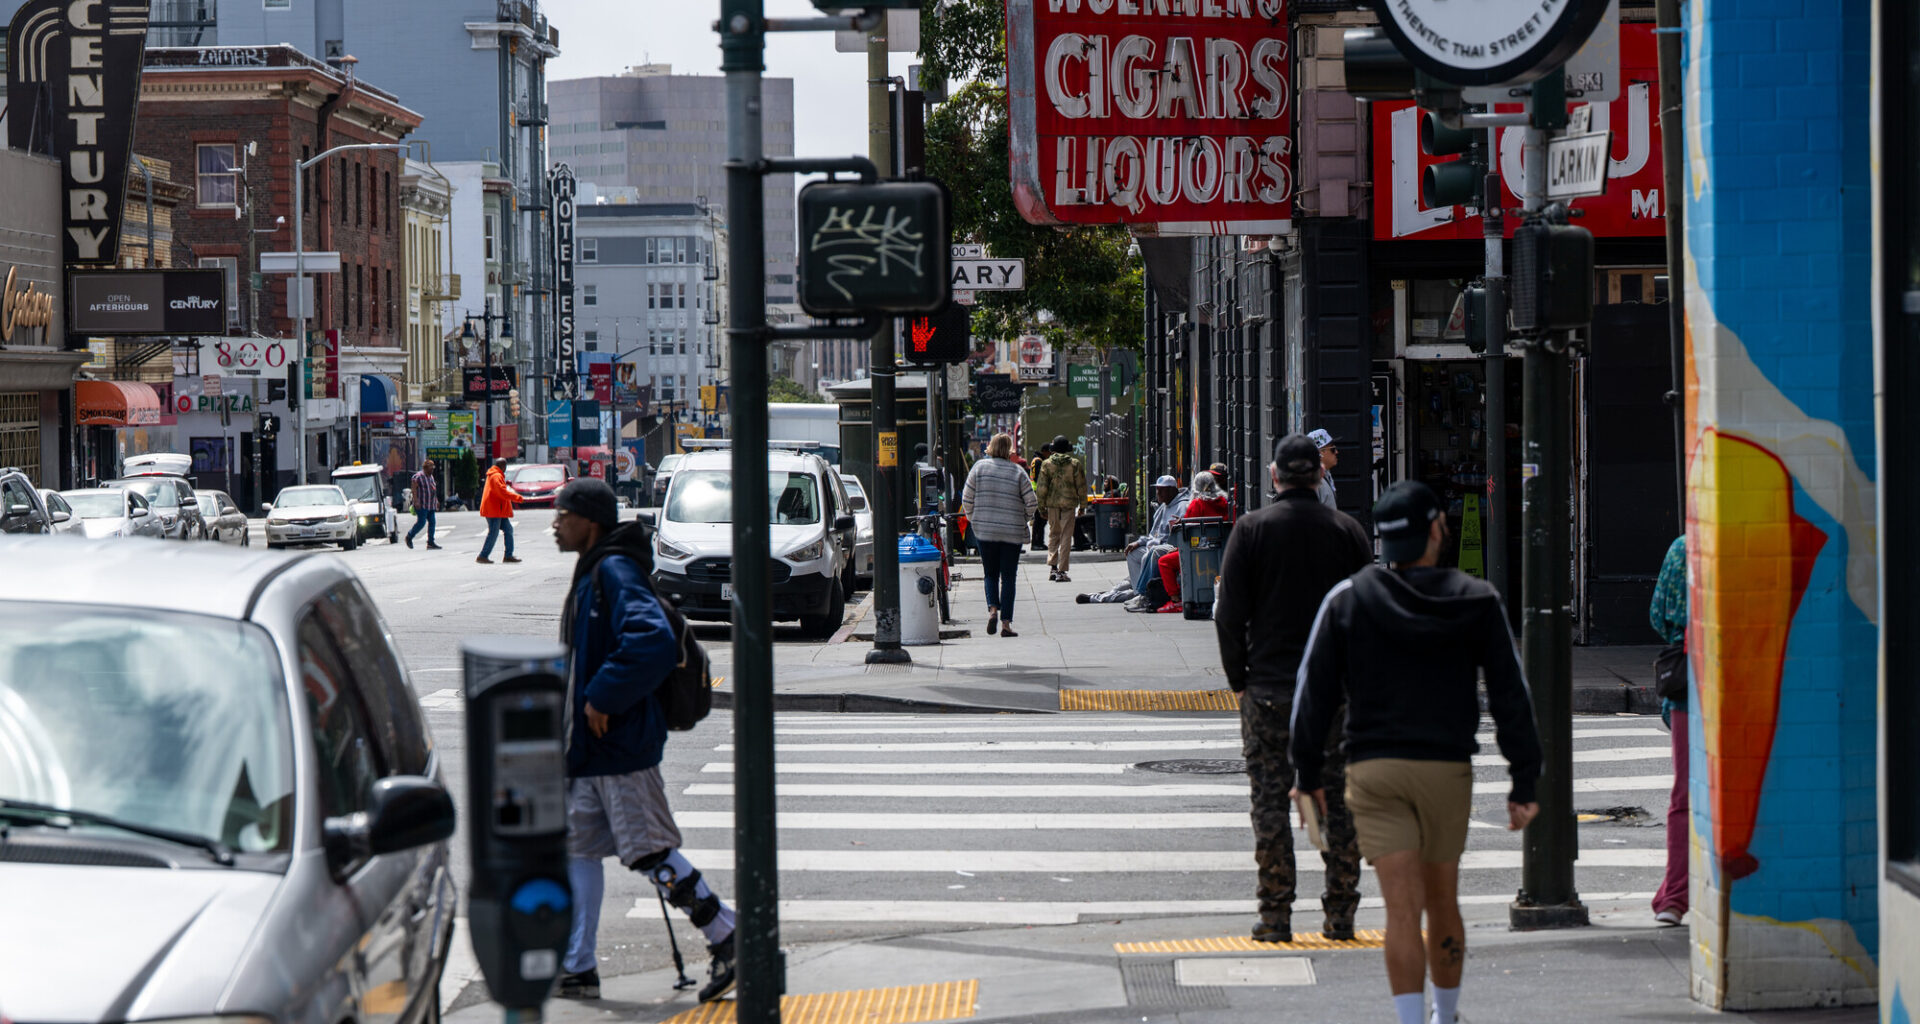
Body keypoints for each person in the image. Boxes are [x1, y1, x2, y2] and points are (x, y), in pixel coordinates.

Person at [1290, 480, 1541, 1024]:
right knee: (1442, 901)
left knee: (1400, 912)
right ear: (1435, 531)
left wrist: (1306, 774)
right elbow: (1510, 695)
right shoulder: (1476, 598)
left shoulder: (1349, 597)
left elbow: (1314, 694)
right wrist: (1525, 781)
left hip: (1373, 770)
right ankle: (1444, 1014)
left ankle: (1409, 1020)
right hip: (1444, 769)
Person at [551, 478, 737, 1003]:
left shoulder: (612, 569)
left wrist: (602, 698)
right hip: (592, 750)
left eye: (563, 514)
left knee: (650, 851)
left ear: (589, 520)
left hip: (618, 744)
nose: (554, 523)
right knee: (578, 849)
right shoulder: (598, 569)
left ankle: (729, 935)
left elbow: (652, 640)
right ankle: (577, 966)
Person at [1214, 435, 1372, 942]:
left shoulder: (1251, 531)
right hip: (1335, 693)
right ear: (1320, 475)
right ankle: (1341, 912)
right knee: (1341, 802)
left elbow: (1229, 616)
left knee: (1270, 802)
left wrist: (1239, 679)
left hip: (1269, 688)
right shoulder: (1348, 532)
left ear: (1274, 476)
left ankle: (1276, 914)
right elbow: (1365, 614)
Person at [960, 433, 1039, 638]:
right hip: (1012, 532)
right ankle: (1006, 624)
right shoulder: (1018, 472)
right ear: (1009, 449)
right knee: (1009, 577)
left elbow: (967, 498)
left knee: (990, 574)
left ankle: (993, 610)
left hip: (985, 531)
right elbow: (1032, 502)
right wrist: (1024, 518)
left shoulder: (978, 468)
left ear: (991, 447)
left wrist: (974, 519)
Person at [1649, 534, 1689, 927]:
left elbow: (1658, 614)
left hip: (1689, 688)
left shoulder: (1682, 548)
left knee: (1685, 794)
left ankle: (1674, 897)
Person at [1152, 471, 1232, 614]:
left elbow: (1188, 531)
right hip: (1219, 551)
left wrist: (1178, 549)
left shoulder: (1197, 503)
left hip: (1196, 552)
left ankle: (1176, 600)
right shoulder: (1223, 502)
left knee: (1164, 562)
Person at [1119, 475, 1190, 610]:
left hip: (1170, 546)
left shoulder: (1182, 506)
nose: (1157, 494)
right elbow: (1153, 534)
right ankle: (1137, 593)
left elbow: (1181, 533)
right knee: (1133, 553)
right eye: (1157, 490)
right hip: (1154, 545)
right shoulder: (1163, 507)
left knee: (1153, 553)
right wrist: (1139, 542)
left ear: (1171, 490)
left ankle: (1145, 594)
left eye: (1161, 490)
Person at [1034, 435, 1087, 583]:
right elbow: (1081, 486)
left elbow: (1042, 487)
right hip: (1069, 505)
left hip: (1052, 505)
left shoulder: (1046, 464)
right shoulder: (1074, 464)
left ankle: (1053, 567)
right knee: (1066, 536)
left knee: (1053, 534)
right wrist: (1083, 506)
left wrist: (1041, 507)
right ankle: (1062, 570)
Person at [477, 457, 525, 564]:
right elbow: (502, 492)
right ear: (503, 466)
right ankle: (483, 555)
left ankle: (508, 555)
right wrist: (518, 498)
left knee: (508, 529)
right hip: (494, 510)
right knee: (493, 532)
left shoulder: (495, 475)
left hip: (498, 510)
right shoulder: (496, 476)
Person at [405, 458, 442, 550]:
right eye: (431, 468)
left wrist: (436, 501)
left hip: (431, 504)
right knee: (421, 522)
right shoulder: (418, 476)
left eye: (433, 468)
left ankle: (430, 542)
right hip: (422, 505)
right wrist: (416, 500)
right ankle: (409, 536)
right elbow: (414, 489)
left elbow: (433, 490)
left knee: (432, 522)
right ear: (425, 468)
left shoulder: (431, 477)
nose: (432, 470)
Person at [1309, 429, 1340, 509]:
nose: (1336, 452)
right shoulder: (1313, 481)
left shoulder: (1323, 476)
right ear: (1321, 452)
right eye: (1333, 449)